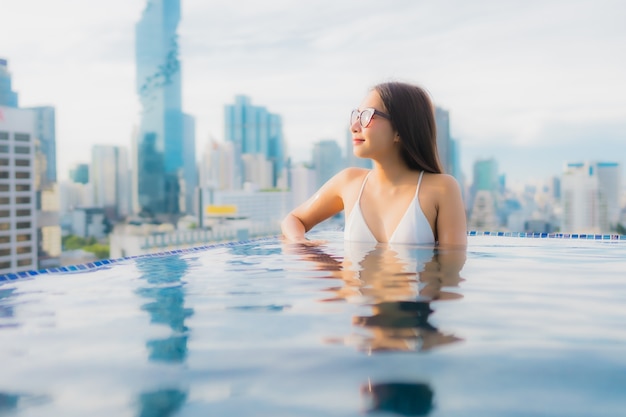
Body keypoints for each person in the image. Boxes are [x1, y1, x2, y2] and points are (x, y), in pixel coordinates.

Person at [281, 81, 467, 246]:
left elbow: (451, 269)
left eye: (367, 116)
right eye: (356, 116)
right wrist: (300, 243)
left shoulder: (442, 189)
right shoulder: (348, 182)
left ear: (400, 131)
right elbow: (294, 219)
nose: (354, 126)